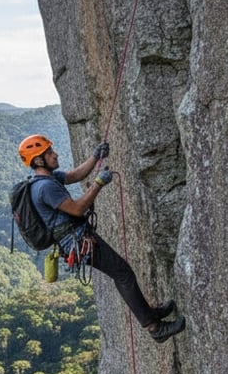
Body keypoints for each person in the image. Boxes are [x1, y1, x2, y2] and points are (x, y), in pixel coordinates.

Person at [18, 134, 186, 343]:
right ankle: (155, 328)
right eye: (49, 152)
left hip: (77, 240)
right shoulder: (45, 187)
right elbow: (78, 209)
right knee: (123, 273)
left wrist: (95, 157)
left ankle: (151, 314)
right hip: (78, 242)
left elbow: (73, 176)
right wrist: (98, 183)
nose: (55, 154)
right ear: (38, 160)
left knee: (122, 272)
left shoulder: (45, 180)